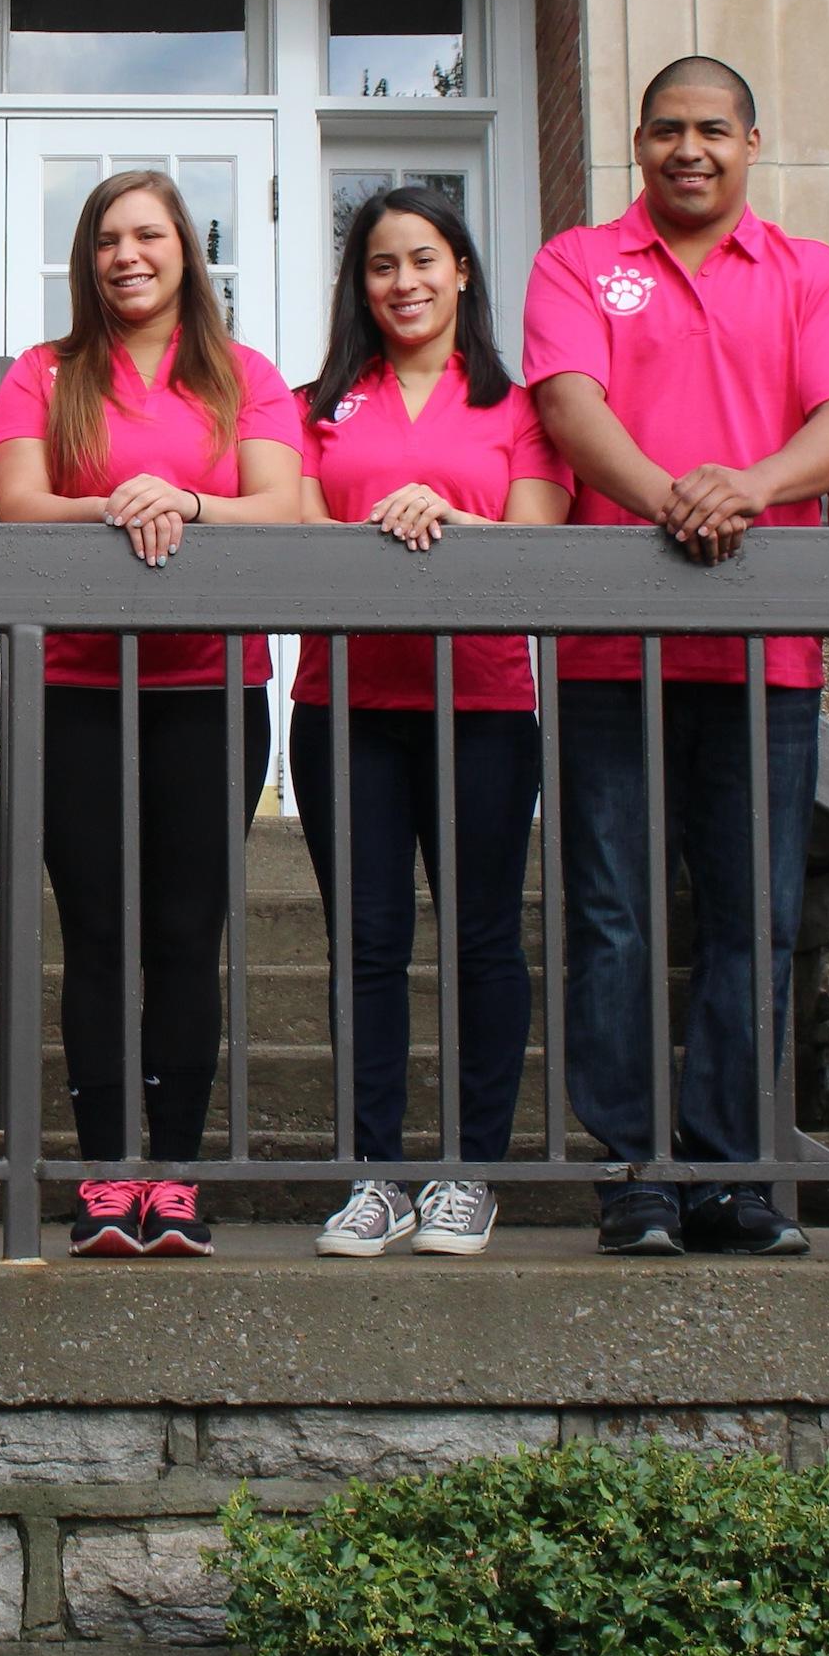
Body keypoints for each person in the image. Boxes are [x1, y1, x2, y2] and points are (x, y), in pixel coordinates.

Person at [525, 55, 829, 1259]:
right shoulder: (577, 262)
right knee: (613, 916)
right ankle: (634, 1172)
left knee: (756, 919)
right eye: (668, 129)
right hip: (609, 653)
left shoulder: (810, 275)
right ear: (637, 140)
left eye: (714, 130)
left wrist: (750, 488)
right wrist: (680, 501)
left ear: (752, 141)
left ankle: (732, 1175)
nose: (690, 150)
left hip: (761, 657)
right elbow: (570, 410)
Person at [0, 169, 304, 1257]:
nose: (128, 255)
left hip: (212, 694)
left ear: (187, 251)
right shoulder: (44, 375)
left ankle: (171, 1175)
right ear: (88, 259)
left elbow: (285, 509)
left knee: (184, 935)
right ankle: (100, 1178)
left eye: (150, 236)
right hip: (75, 691)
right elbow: (18, 505)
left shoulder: (243, 376)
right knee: (98, 936)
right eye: (109, 239)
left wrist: (190, 498)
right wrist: (120, 502)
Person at [296, 189, 569, 1260]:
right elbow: (296, 518)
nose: (402, 283)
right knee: (366, 945)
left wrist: (455, 517)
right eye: (380, 266)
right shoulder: (319, 401)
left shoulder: (518, 403)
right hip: (345, 707)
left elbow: (541, 526)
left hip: (484, 707)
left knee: (483, 940)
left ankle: (467, 1170)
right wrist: (378, 520)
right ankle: (374, 1175)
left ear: (462, 270)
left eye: (423, 260)